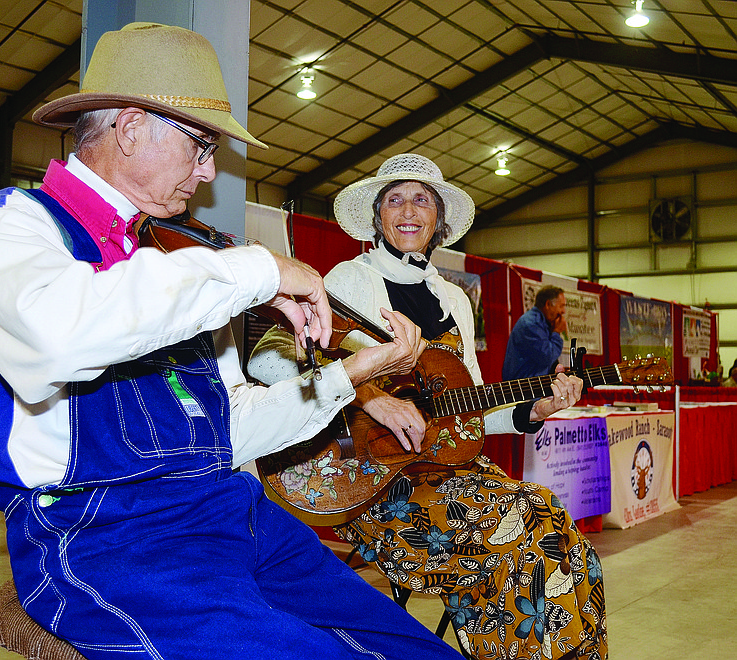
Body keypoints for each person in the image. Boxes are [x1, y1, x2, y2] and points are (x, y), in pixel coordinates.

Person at [0, 23, 467, 660]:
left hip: (226, 508)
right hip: (105, 534)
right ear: (132, 129)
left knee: (414, 649)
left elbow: (228, 429)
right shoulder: (9, 225)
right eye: (201, 146)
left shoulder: (174, 263)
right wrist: (261, 269)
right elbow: (61, 334)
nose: (210, 170)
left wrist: (355, 370)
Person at [249, 153, 607, 660]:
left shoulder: (454, 300)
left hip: (448, 469)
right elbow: (269, 357)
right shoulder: (349, 280)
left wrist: (536, 407)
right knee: (521, 530)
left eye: (422, 199)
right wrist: (370, 398)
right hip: (372, 480)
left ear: (438, 219)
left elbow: (471, 409)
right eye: (394, 199)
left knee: (562, 537)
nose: (408, 210)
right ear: (377, 217)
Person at [502, 285, 566, 381]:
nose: (563, 311)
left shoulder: (542, 323)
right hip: (523, 389)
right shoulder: (531, 324)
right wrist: (556, 332)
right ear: (548, 304)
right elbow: (547, 357)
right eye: (561, 306)